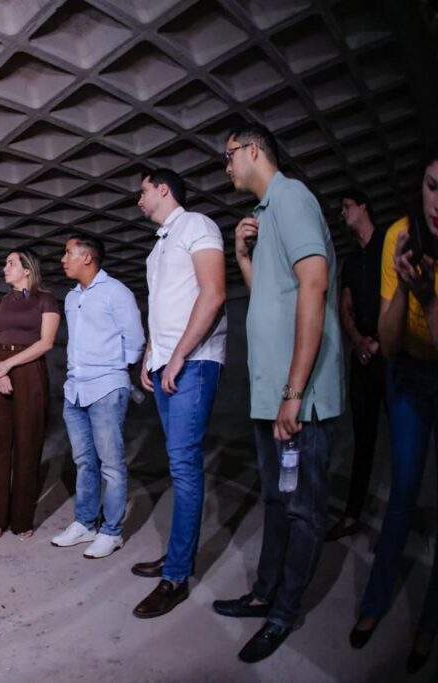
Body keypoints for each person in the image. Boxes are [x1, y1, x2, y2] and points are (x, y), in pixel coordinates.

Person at [211, 122, 344, 663]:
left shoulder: (291, 198)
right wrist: (243, 256)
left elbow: (314, 285)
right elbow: (270, 295)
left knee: (303, 510)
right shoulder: (265, 215)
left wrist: (294, 391)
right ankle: (264, 593)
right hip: (271, 396)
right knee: (275, 498)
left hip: (298, 397)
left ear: (253, 150)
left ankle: (284, 613)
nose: (226, 166)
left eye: (229, 155)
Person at [349, 149, 438, 674]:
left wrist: (429, 298)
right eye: (432, 187)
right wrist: (405, 285)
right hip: (407, 372)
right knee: (403, 488)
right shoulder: (400, 235)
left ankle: (430, 622)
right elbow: (388, 342)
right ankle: (375, 601)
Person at [132, 169, 227, 618]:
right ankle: (177, 555)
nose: (139, 199)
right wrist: (151, 353)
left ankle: (176, 577)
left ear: (163, 189)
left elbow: (214, 293)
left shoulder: (197, 225)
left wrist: (179, 356)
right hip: (167, 363)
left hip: (194, 362)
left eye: (143, 190)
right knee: (178, 465)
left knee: (185, 467)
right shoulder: (158, 247)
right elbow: (163, 307)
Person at [52, 235, 144, 558]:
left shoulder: (117, 292)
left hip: (106, 389)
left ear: (87, 257)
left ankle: (112, 531)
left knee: (112, 465)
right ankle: (85, 523)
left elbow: (135, 340)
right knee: (83, 461)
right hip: (75, 390)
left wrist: (115, 371)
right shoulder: (71, 297)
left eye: (68, 253)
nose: (63, 259)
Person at [0, 250, 59, 540]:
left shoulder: (45, 300)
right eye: (5, 263)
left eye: (10, 263)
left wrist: (7, 366)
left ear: (27, 269)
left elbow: (46, 343)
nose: (5, 268)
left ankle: (22, 519)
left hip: (29, 372)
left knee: (27, 444)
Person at [326, 189, 386, 541]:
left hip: (394, 356)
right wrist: (359, 340)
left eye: (347, 205)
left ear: (364, 206)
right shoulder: (350, 262)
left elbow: (401, 296)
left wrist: (380, 339)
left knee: (407, 439)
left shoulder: (388, 245)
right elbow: (345, 306)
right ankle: (351, 516)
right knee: (363, 438)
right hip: (363, 359)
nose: (342, 212)